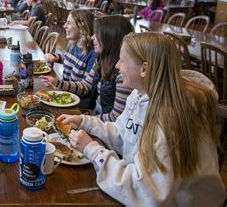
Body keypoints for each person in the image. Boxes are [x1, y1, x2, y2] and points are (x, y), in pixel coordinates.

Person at [56, 32, 224, 206]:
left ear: (144, 69)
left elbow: (145, 193)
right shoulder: (140, 93)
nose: (117, 65)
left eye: (122, 60)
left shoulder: (172, 119)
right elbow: (124, 133)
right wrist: (84, 121)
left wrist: (92, 149)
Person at [43, 15, 133, 121]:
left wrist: (83, 120)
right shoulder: (101, 59)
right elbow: (86, 86)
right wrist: (57, 83)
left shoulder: (123, 73)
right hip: (96, 115)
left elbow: (117, 119)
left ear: (109, 38)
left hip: (104, 125)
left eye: (97, 34)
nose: (92, 37)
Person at [40, 10, 97, 107]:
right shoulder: (74, 44)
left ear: (82, 27)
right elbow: (68, 58)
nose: (64, 26)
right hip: (66, 94)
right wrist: (56, 58)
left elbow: (86, 89)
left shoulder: (93, 54)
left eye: (69, 23)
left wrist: (59, 83)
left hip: (78, 104)